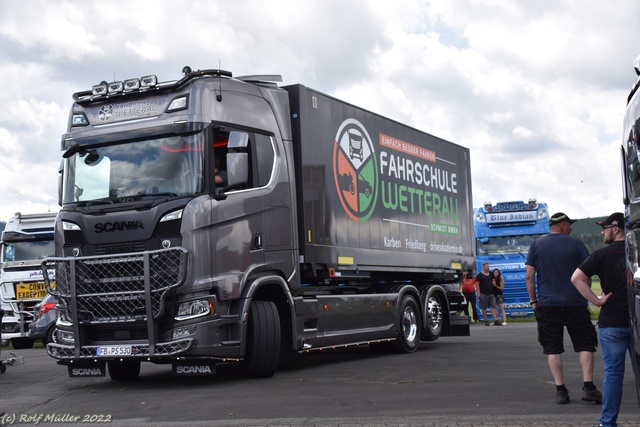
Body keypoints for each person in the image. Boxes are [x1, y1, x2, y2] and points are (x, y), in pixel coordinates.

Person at [526, 212, 601, 405]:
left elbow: (529, 276)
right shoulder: (576, 244)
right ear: (562, 226)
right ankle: (588, 387)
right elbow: (587, 273)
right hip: (575, 303)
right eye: (569, 225)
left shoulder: (536, 245)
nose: (571, 228)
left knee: (553, 349)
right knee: (586, 344)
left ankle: (561, 391)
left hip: (547, 305)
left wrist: (534, 302)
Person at [571, 212, 632, 427]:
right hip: (637, 321)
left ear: (615, 229)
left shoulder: (601, 254)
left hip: (612, 323)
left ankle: (607, 423)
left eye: (604, 228)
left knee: (613, 375)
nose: (602, 232)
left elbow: (576, 278)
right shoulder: (636, 252)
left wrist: (596, 302)